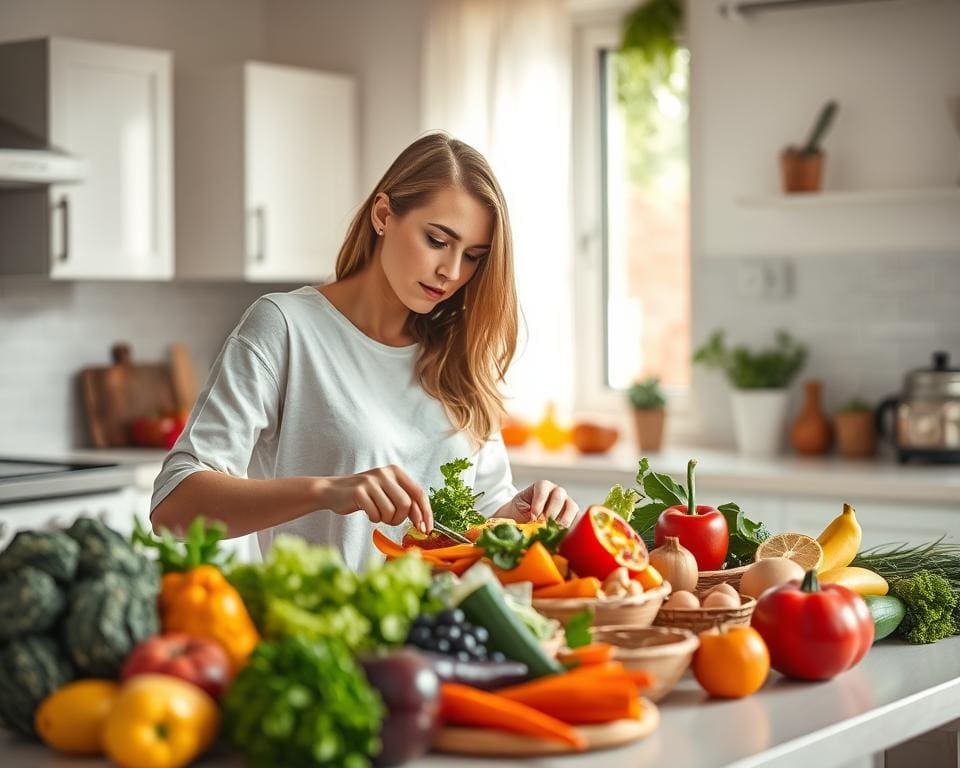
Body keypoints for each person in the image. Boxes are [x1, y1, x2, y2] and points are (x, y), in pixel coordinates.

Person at [150, 132, 579, 570]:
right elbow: (174, 506)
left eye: (473, 256)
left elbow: (479, 520)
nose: (451, 271)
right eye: (436, 240)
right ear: (383, 215)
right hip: (334, 631)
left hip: (448, 634)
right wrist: (327, 491)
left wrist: (520, 513)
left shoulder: (459, 356)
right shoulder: (286, 327)